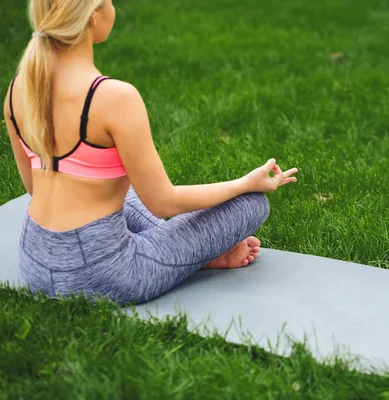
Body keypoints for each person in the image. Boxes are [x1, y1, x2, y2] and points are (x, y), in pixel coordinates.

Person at [3, 0, 298, 305]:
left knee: (124, 190)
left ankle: (189, 248)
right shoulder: (114, 98)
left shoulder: (19, 89)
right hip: (104, 275)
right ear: (93, 16)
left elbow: (33, 188)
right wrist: (246, 183)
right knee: (251, 205)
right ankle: (197, 252)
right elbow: (163, 202)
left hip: (35, 261)